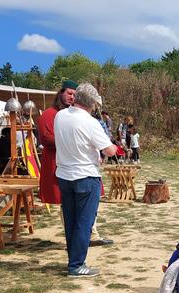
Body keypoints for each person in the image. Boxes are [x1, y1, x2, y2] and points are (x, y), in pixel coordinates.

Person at [37, 80, 113, 246]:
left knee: (88, 206)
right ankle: (77, 245)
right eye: (69, 93)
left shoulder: (74, 115)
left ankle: (91, 235)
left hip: (82, 165)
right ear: (61, 93)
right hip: (60, 165)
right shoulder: (52, 115)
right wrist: (71, 140)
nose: (71, 97)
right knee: (70, 209)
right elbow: (46, 138)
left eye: (74, 94)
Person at [54, 83, 118, 277]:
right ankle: (76, 264)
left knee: (71, 221)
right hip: (86, 175)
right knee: (84, 222)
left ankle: (72, 260)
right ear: (91, 104)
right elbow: (110, 150)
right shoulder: (90, 122)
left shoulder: (60, 116)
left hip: (64, 175)